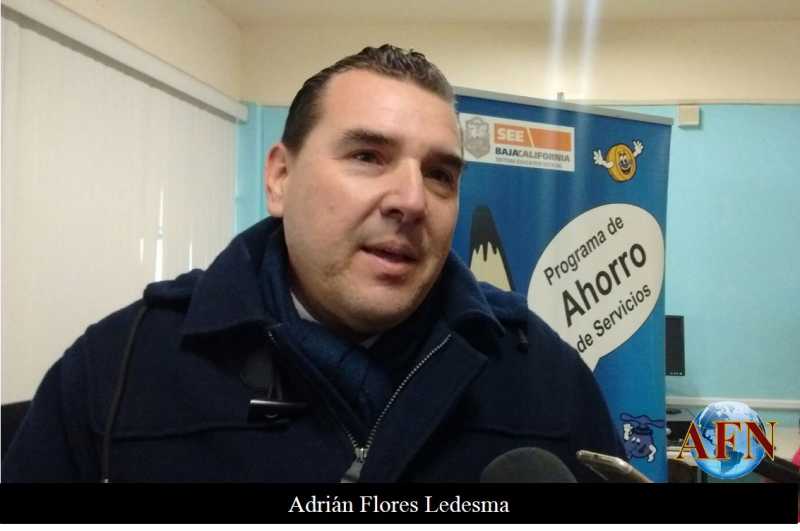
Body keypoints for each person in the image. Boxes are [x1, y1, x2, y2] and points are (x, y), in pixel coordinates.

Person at [2, 44, 624, 482]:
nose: (412, 200)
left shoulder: (546, 379)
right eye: (368, 156)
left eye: (440, 174)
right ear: (280, 177)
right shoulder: (117, 372)